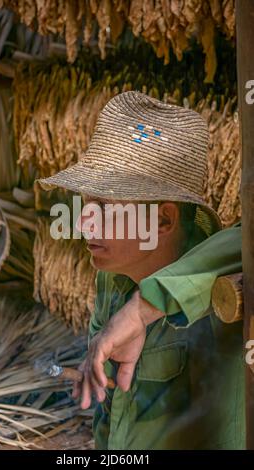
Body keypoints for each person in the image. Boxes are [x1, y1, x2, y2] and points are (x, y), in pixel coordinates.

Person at [38, 91, 245, 449]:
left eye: (103, 206)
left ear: (162, 219)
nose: (84, 222)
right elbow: (111, 411)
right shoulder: (113, 277)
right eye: (86, 204)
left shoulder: (221, 279)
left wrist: (142, 308)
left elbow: (243, 240)